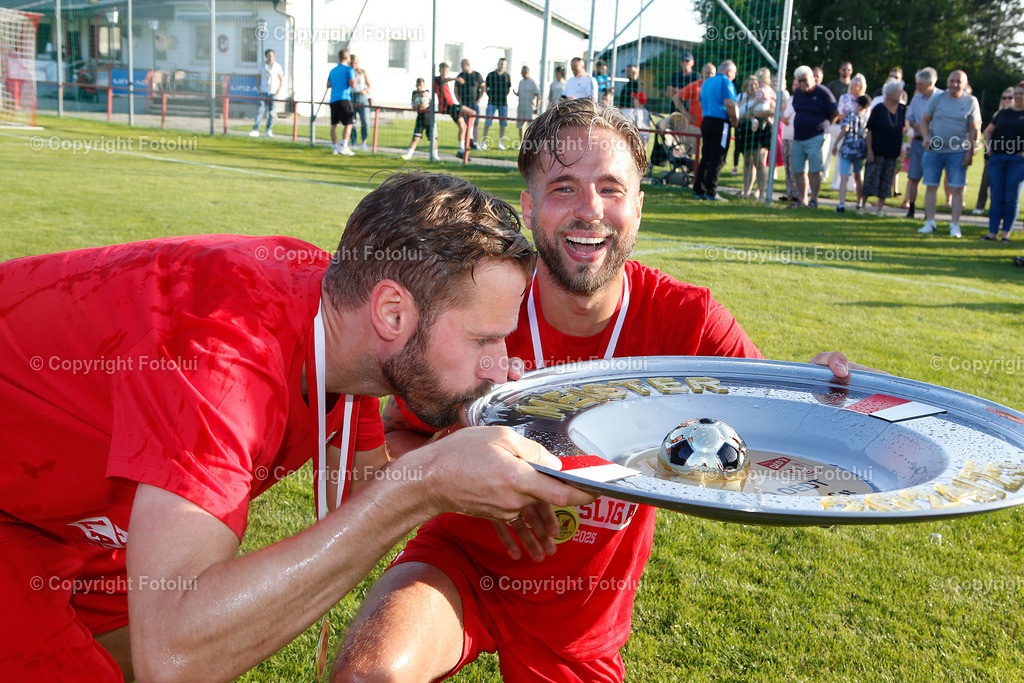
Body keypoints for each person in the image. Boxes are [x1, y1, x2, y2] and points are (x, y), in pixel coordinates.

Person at [332, 99, 871, 683]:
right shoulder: (483, 305)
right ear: (529, 204)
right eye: (563, 187)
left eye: (611, 189)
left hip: (582, 616)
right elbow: (393, 437)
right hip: (460, 566)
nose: (589, 211)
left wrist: (816, 394)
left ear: (639, 205)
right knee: (368, 676)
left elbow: (773, 428)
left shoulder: (687, 320)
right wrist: (463, 480)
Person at [0, 171, 596, 681]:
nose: (499, 367)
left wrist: (474, 480)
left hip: (65, 512)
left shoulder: (343, 324)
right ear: (392, 312)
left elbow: (366, 490)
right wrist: (423, 482)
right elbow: (175, 657)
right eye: (483, 340)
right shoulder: (224, 359)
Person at [918, 69, 981, 238]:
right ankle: (930, 222)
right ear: (947, 81)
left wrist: (970, 151)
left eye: (958, 81)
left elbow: (975, 129)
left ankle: (955, 225)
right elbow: (924, 121)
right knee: (931, 186)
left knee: (957, 190)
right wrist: (925, 138)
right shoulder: (937, 98)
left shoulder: (971, 101)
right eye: (952, 80)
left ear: (965, 84)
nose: (954, 84)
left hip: (958, 151)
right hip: (934, 150)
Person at [788, 64, 839, 209]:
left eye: (804, 80)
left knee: (815, 170)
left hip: (817, 136)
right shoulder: (798, 93)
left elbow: (835, 112)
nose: (802, 83)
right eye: (799, 81)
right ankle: (801, 199)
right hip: (798, 137)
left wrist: (825, 127)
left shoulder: (823, 92)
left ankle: (814, 200)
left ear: (812, 77)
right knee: (798, 170)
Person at [980, 81, 1024, 242]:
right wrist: (989, 149)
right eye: (1016, 93)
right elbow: (987, 132)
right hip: (998, 159)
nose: (1018, 96)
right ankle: (992, 233)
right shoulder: (1002, 114)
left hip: (1017, 162)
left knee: (1011, 198)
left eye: (1021, 93)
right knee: (996, 196)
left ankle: (1006, 233)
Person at [693, 59, 739, 202]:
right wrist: (735, 120)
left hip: (706, 120)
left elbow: (701, 102)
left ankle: (699, 190)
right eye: (734, 74)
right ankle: (711, 192)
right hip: (721, 123)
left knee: (705, 157)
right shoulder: (726, 82)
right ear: (729, 71)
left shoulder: (706, 82)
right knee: (718, 158)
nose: (734, 77)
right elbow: (729, 103)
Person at [862, 81, 907, 216]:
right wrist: (869, 151)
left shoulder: (902, 110)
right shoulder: (879, 109)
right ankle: (862, 206)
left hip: (892, 152)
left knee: (886, 180)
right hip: (876, 151)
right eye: (898, 92)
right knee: (871, 178)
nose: (901, 95)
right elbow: (869, 131)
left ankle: (880, 209)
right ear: (889, 94)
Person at [904, 67, 943, 219]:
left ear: (930, 83)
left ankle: (929, 212)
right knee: (913, 177)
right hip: (918, 142)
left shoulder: (941, 97)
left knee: (931, 180)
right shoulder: (916, 98)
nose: (917, 87)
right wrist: (922, 127)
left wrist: (930, 128)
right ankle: (911, 209)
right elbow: (910, 119)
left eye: (920, 84)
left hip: (935, 145)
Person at [973, 87, 1015, 215]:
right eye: (1004, 97)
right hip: (993, 154)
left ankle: (1001, 209)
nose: (1007, 100)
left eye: (1010, 97)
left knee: (1006, 184)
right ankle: (980, 206)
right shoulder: (998, 114)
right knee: (986, 181)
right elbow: (988, 132)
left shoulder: (1018, 114)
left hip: (1011, 154)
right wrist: (989, 148)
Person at [738, 68, 775, 201]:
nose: (752, 87)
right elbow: (738, 115)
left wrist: (754, 114)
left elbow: (772, 111)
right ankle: (746, 190)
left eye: (755, 84)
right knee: (748, 161)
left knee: (759, 161)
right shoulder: (742, 98)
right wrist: (747, 115)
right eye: (749, 85)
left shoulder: (766, 97)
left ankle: (761, 192)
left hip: (761, 130)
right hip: (746, 131)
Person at [833, 94, 871, 213]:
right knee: (858, 176)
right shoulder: (867, 119)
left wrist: (836, 143)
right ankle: (859, 202)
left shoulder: (850, 115)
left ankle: (841, 204)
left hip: (847, 150)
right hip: (860, 151)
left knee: (844, 176)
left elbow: (845, 129)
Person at [829, 73, 867, 190]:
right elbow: (840, 115)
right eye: (855, 80)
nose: (857, 83)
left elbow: (867, 116)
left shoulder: (865, 99)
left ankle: (853, 185)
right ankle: (836, 183)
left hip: (859, 135)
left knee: (856, 162)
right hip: (845, 132)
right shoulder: (845, 97)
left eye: (860, 81)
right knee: (842, 158)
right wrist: (851, 116)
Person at [434, 62, 479, 155]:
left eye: (446, 71)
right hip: (449, 107)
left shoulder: (444, 81)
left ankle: (461, 150)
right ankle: (469, 139)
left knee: (463, 127)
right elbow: (442, 81)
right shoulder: (437, 79)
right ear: (440, 70)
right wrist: (456, 79)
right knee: (472, 112)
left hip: (451, 106)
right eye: (443, 71)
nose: (445, 73)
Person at [327, 49, 357, 156]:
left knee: (334, 124)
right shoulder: (349, 70)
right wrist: (356, 77)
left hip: (333, 99)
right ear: (346, 57)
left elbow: (328, 85)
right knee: (349, 123)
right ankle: (344, 146)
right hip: (344, 99)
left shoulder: (333, 70)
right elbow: (353, 84)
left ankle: (335, 148)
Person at [250, 49, 284, 138]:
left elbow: (281, 79)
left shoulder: (277, 66)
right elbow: (257, 77)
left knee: (272, 112)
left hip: (273, 92)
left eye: (272, 55)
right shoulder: (262, 66)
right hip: (263, 91)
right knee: (260, 111)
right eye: (269, 55)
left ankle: (269, 130)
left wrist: (278, 91)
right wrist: (258, 90)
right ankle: (255, 129)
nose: (271, 57)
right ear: (266, 56)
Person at [484, 58, 512, 150]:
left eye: (504, 64)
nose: (502, 66)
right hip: (492, 102)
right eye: (501, 64)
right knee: (488, 122)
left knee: (503, 123)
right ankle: (484, 141)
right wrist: (490, 95)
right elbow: (486, 87)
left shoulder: (507, 76)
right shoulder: (491, 75)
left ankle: (501, 142)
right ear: (498, 64)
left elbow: (508, 89)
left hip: (503, 103)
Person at [455, 58, 485, 148]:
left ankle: (475, 143)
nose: (461, 67)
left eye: (462, 65)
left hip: (474, 103)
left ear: (467, 65)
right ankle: (465, 143)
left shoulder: (477, 75)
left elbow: (483, 86)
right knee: (464, 124)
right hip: (464, 103)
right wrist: (459, 100)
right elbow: (455, 89)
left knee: (475, 124)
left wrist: (480, 98)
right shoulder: (460, 75)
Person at [401, 78, 431, 160]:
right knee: (415, 137)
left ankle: (435, 156)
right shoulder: (414, 93)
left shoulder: (426, 92)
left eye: (420, 86)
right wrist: (416, 106)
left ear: (424, 86)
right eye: (417, 85)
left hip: (429, 118)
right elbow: (413, 104)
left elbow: (425, 96)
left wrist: (422, 100)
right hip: (420, 118)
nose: (419, 87)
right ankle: (408, 155)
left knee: (432, 139)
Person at [347, 55, 372, 152]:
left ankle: (364, 141)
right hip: (352, 96)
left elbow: (369, 85)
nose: (353, 65)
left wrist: (365, 91)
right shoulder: (349, 72)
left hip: (362, 97)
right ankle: (353, 142)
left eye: (355, 63)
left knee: (365, 121)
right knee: (352, 122)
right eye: (351, 63)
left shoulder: (362, 72)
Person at [514, 65, 540, 145]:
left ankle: (531, 143)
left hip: (530, 107)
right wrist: (516, 93)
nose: (521, 73)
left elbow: (538, 95)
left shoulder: (533, 82)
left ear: (526, 72)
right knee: (521, 126)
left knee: (531, 126)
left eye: (522, 72)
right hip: (521, 107)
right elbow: (520, 94)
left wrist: (537, 107)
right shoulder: (521, 82)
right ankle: (521, 143)